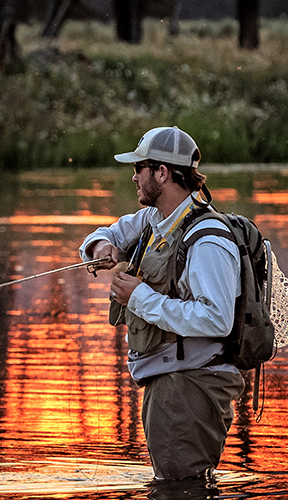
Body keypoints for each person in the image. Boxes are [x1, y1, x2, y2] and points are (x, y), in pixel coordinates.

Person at [80, 126, 245, 480]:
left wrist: (138, 297)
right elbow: (104, 234)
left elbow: (217, 320)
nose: (133, 176)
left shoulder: (208, 240)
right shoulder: (154, 220)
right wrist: (100, 248)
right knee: (179, 494)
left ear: (161, 173)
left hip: (191, 385)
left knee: (180, 495)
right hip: (171, 380)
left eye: (139, 167)